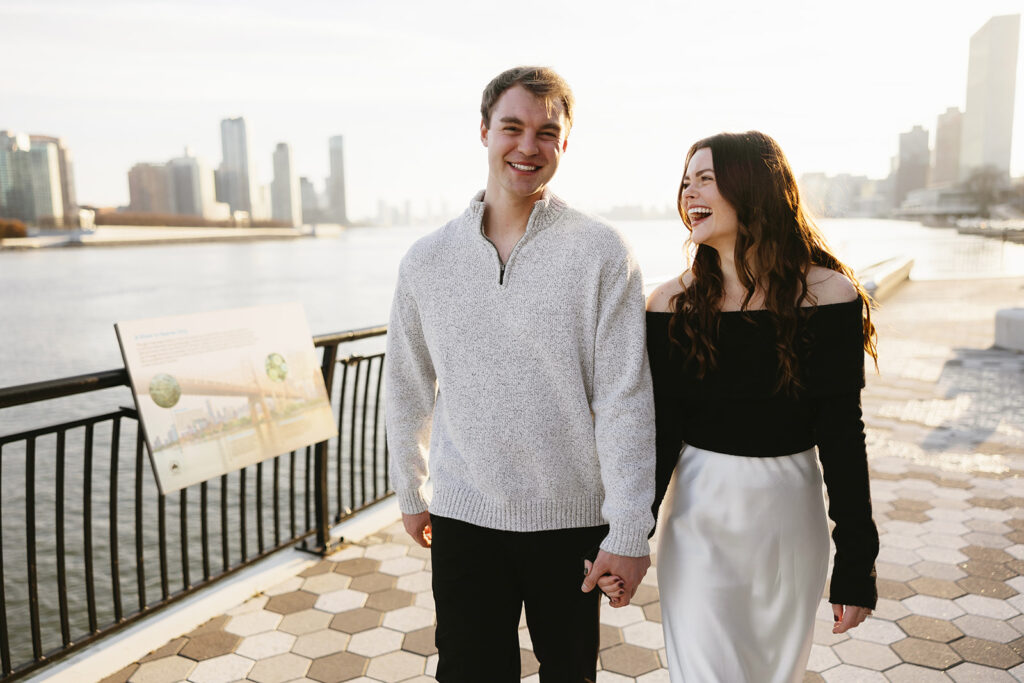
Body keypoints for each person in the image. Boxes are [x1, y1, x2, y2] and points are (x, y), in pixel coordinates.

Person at [384, 66, 657, 682]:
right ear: (484, 131)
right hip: (462, 515)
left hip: (569, 520)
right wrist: (411, 488)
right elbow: (405, 385)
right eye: (512, 127)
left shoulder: (601, 251)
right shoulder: (427, 260)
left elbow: (625, 400)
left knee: (569, 676)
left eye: (546, 132)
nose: (527, 147)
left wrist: (630, 530)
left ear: (565, 142)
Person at [599, 130, 880, 682]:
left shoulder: (829, 295)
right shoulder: (668, 303)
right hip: (699, 518)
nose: (689, 193)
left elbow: (844, 436)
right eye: (685, 182)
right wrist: (628, 535)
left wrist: (856, 564)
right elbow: (657, 436)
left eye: (705, 178)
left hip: (788, 519)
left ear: (754, 187)